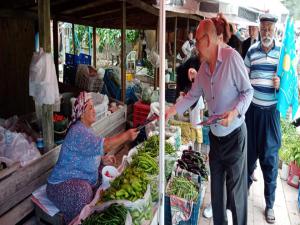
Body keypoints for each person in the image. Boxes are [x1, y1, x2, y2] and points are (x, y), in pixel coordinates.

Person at [166, 19, 253, 225]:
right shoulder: (203, 68)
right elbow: (191, 97)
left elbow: (248, 92)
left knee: (237, 194)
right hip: (215, 139)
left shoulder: (232, 58)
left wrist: (234, 113)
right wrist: (170, 110)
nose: (195, 46)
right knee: (216, 193)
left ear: (207, 39)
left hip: (234, 137)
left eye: (197, 41)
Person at [46, 92, 139, 223]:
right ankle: (76, 221)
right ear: (82, 113)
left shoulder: (88, 129)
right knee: (83, 191)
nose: (94, 111)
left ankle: (94, 213)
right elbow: (105, 145)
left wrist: (102, 160)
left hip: (81, 177)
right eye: (90, 108)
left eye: (93, 107)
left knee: (108, 181)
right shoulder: (78, 131)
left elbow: (91, 152)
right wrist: (126, 136)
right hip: (59, 186)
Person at [244, 13, 281, 224]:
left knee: (270, 159)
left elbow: (290, 84)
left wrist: (281, 82)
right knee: (248, 156)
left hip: (272, 115)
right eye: (264, 28)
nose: (266, 32)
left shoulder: (282, 53)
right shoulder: (251, 52)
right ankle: (243, 194)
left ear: (275, 30)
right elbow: (243, 78)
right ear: (259, 28)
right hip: (252, 113)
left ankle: (270, 204)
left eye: (270, 28)